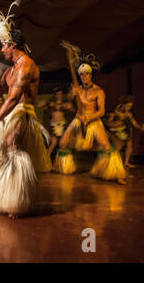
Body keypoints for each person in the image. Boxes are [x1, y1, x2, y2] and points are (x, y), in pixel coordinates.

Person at [0, 0, 52, 218]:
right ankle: (7, 192)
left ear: (12, 44)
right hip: (10, 113)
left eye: (3, 45)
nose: (1, 50)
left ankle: (17, 200)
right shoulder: (9, 71)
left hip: (22, 113)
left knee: (11, 143)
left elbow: (13, 100)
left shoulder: (26, 65)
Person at [54, 42, 127, 185]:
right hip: (78, 120)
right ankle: (64, 168)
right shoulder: (77, 89)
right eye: (81, 75)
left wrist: (89, 117)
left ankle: (115, 173)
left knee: (105, 146)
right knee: (63, 143)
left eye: (86, 74)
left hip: (93, 121)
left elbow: (101, 111)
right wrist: (71, 95)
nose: (84, 77)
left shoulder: (98, 91)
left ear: (91, 74)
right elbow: (70, 102)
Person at [106, 95, 144, 168]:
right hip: (116, 131)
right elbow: (108, 122)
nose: (129, 108)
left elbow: (134, 123)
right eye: (128, 106)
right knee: (118, 147)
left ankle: (126, 162)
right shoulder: (116, 111)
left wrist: (141, 128)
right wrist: (115, 124)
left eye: (131, 106)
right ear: (123, 104)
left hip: (125, 130)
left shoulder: (128, 113)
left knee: (129, 145)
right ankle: (111, 163)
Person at [37, 87, 75, 156]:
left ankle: (61, 162)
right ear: (55, 95)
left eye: (60, 94)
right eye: (57, 94)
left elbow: (73, 110)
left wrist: (67, 106)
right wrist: (48, 103)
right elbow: (39, 105)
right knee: (53, 143)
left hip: (62, 125)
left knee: (63, 144)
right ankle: (46, 160)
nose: (59, 96)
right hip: (53, 126)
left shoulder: (65, 103)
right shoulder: (51, 103)